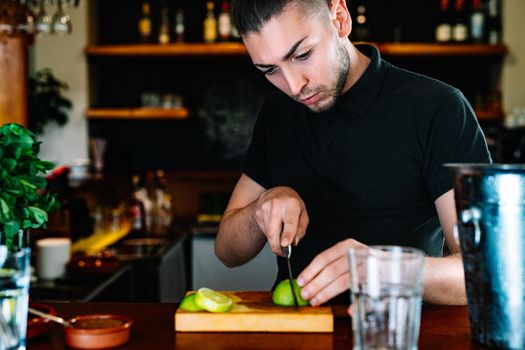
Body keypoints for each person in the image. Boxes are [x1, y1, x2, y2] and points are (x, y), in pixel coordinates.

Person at [215, 0, 491, 306]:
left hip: (399, 334)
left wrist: (381, 269)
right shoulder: (277, 113)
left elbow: (483, 272)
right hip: (300, 333)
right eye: (270, 70)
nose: (294, 87)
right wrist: (260, 209)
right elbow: (227, 251)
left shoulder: (438, 108)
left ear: (340, 19)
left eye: (303, 55)